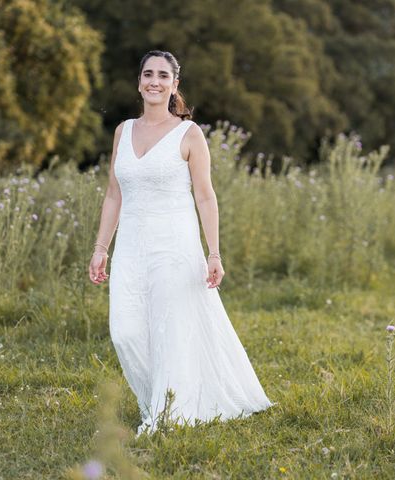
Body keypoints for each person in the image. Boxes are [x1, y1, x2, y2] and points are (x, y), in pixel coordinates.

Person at [88, 50, 274, 437]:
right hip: (131, 250)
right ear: (139, 82)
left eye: (163, 75)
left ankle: (167, 411)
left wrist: (214, 253)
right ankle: (159, 397)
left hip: (174, 245)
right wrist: (101, 248)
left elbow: (205, 196)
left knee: (171, 332)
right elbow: (113, 194)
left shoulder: (189, 134)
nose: (154, 81)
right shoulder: (123, 131)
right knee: (126, 332)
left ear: (174, 85)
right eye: (147, 74)